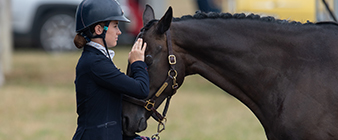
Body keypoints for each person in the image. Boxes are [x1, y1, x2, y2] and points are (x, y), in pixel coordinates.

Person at [72, 0, 150, 139]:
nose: (119, 32)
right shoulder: (95, 63)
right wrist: (138, 63)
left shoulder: (97, 60)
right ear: (99, 29)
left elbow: (108, 120)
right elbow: (141, 89)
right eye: (115, 26)